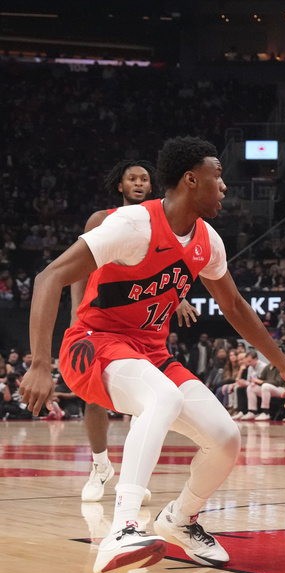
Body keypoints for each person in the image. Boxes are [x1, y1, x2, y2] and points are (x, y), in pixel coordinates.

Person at [20, 136, 285, 573]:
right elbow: (50, 277)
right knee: (162, 398)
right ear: (191, 180)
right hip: (93, 343)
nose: (225, 186)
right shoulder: (134, 224)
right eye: (218, 176)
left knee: (226, 438)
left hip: (151, 352)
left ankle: (179, 519)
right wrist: (39, 363)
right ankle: (123, 528)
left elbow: (234, 307)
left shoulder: (207, 241)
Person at [71, 159, 198, 503]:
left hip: (144, 327)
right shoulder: (102, 219)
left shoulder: (161, 223)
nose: (139, 183)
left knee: (149, 404)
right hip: (102, 323)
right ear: (120, 185)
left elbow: (172, 270)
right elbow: (76, 272)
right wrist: (74, 317)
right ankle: (99, 466)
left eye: (144, 178)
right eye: (132, 178)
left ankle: (133, 477)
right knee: (93, 398)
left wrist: (180, 298)